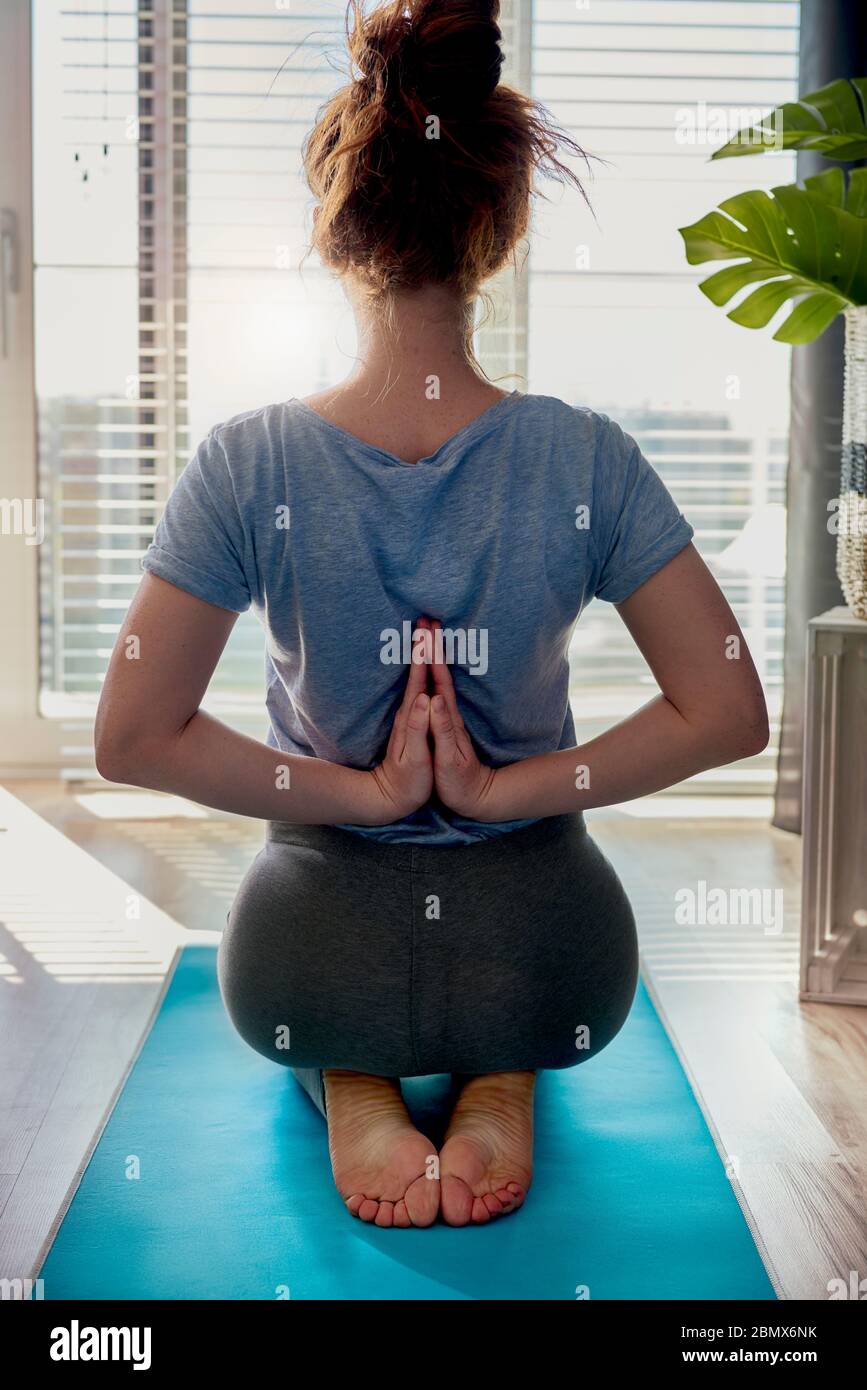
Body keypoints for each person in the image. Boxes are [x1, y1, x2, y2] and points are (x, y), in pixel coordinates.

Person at [94, 0, 769, 1230]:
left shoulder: (246, 464)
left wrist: (361, 795)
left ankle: (352, 1078)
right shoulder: (585, 456)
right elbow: (729, 711)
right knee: (506, 1009)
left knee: (335, 1013)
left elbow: (131, 737)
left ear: (341, 229)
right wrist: (506, 791)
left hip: (308, 952)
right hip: (551, 951)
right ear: (496, 230)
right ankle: (499, 1072)